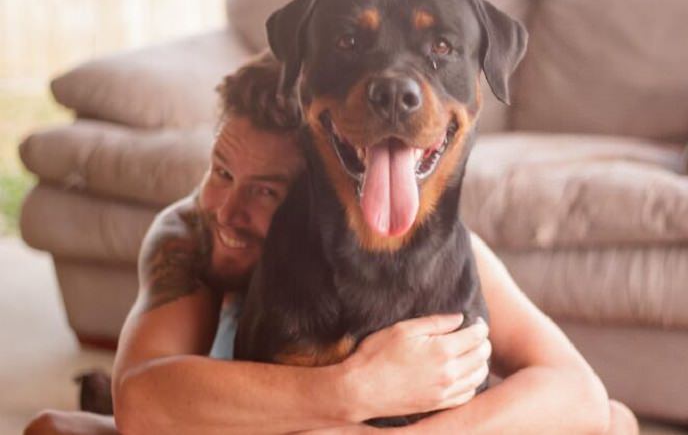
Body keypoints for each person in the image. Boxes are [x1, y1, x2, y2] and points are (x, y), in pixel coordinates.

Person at [25, 51, 639, 435]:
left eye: (266, 193)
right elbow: (146, 410)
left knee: (617, 423)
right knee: (52, 429)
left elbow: (578, 392)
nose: (227, 211)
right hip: (222, 422)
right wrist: (356, 389)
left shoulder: (422, 245)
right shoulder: (188, 234)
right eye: (220, 172)